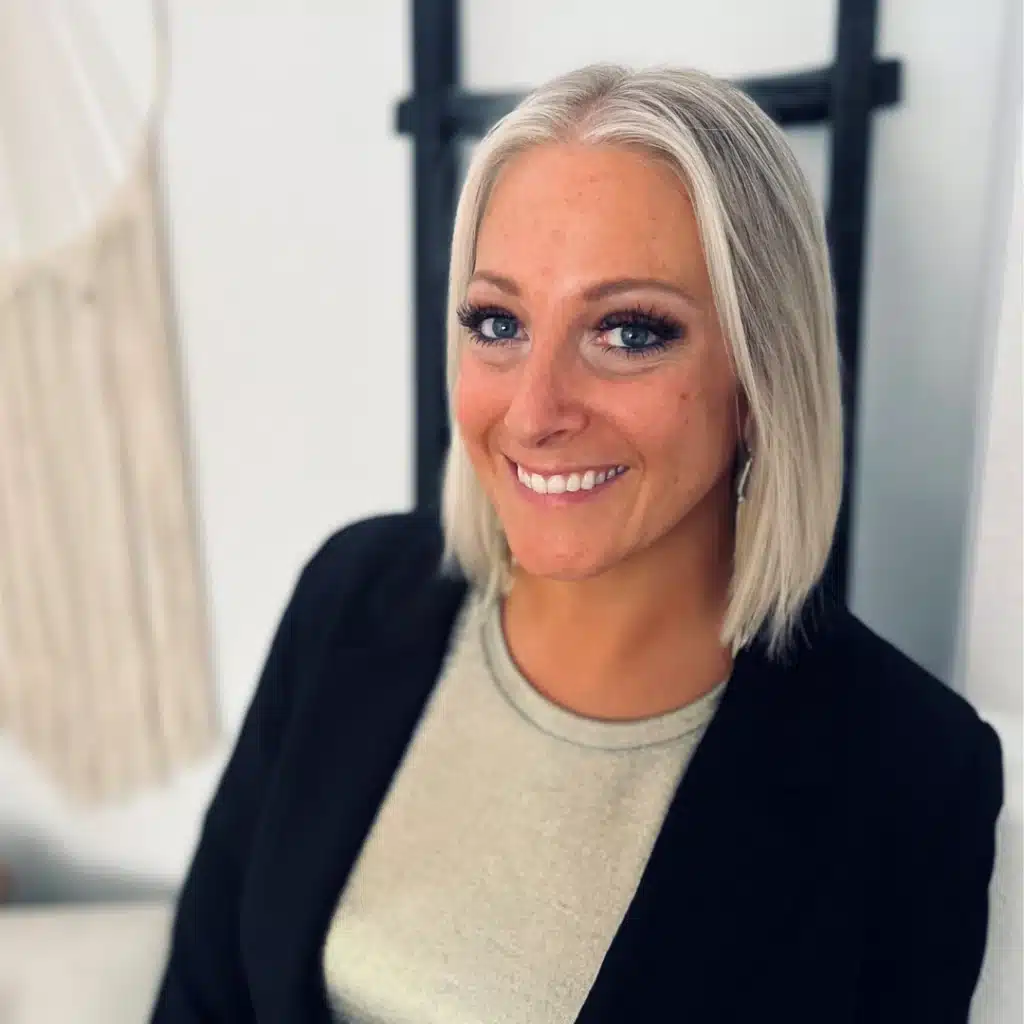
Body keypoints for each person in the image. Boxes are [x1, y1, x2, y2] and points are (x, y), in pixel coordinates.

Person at [151, 64, 1003, 1024]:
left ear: (760, 379)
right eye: (498, 322)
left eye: (630, 331)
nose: (534, 409)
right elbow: (204, 992)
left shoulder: (912, 775)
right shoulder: (351, 594)